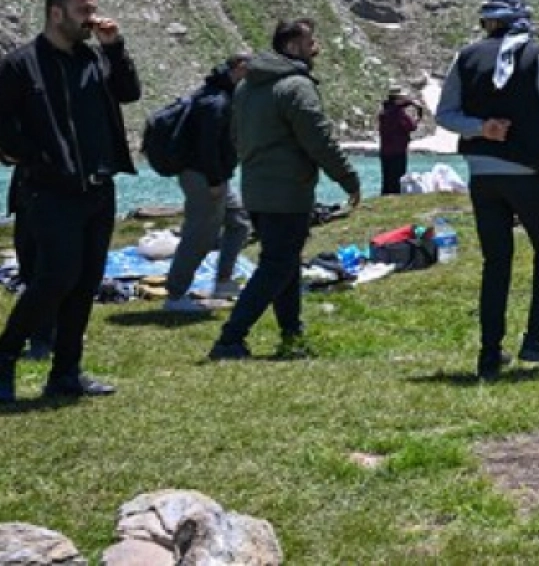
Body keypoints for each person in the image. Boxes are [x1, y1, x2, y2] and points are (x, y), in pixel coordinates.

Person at [0, 0, 142, 402]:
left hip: (98, 188)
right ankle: (5, 355)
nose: (91, 16)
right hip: (51, 190)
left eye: (93, 7)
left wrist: (115, 48)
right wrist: (37, 156)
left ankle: (65, 373)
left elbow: (129, 92)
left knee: (86, 280)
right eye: (82, 8)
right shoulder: (19, 65)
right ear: (56, 13)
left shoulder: (94, 59)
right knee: (55, 277)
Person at [437, 0, 539, 378]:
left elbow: (445, 115)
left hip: (483, 174)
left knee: (496, 261)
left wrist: (480, 128)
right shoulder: (537, 55)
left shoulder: (465, 57)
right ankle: (537, 337)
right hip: (527, 170)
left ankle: (489, 354)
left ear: (486, 22)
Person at [209, 19, 361, 362]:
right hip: (287, 191)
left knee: (284, 262)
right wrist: (348, 179)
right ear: (292, 46)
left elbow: (235, 134)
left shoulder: (248, 86)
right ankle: (230, 338)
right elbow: (318, 139)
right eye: (311, 42)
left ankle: (291, 335)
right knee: (277, 264)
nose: (316, 48)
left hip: (256, 190)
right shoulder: (295, 86)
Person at [163, 54, 253, 312]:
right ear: (240, 69)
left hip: (215, 174)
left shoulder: (221, 93)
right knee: (200, 234)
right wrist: (215, 180)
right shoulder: (216, 101)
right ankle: (175, 295)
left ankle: (223, 281)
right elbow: (208, 147)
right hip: (204, 176)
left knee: (238, 220)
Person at [376, 84, 423, 196]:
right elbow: (411, 127)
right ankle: (395, 198)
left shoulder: (384, 111)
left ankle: (385, 198)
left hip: (385, 151)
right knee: (397, 179)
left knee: (387, 179)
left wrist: (409, 103)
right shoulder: (398, 114)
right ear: (397, 99)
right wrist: (417, 114)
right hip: (398, 151)